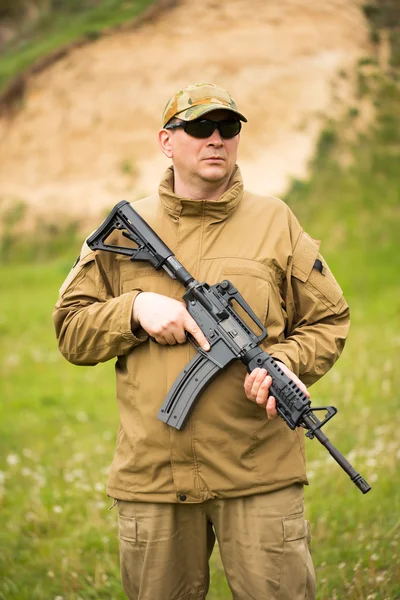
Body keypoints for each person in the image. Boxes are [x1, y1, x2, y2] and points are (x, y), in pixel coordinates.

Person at [53, 82, 350, 600]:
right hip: (154, 480)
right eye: (199, 127)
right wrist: (135, 310)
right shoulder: (128, 230)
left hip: (259, 475)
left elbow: (329, 321)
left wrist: (282, 362)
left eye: (227, 128)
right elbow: (70, 330)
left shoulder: (275, 221)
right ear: (167, 142)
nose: (215, 139)